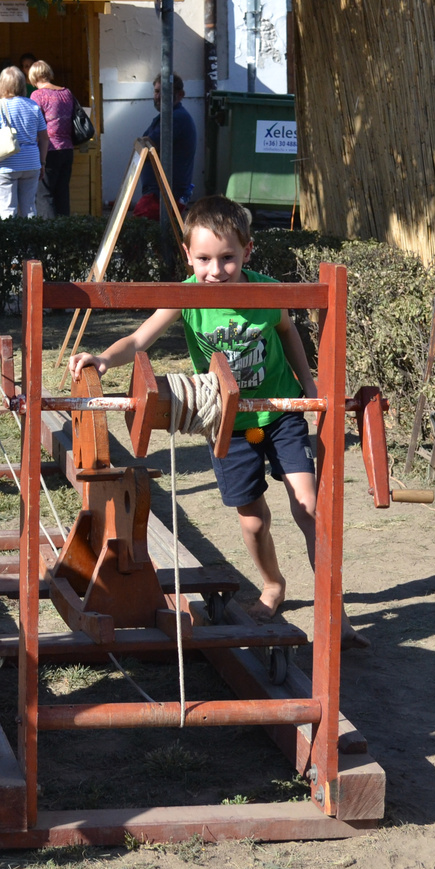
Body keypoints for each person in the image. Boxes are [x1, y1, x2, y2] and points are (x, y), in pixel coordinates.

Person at [70, 196, 368, 646]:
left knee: (308, 507)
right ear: (188, 256)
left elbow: (288, 334)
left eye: (227, 258)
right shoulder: (187, 297)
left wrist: (309, 389)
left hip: (280, 412)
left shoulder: (268, 292)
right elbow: (138, 338)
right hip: (224, 421)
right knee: (252, 521)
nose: (216, 270)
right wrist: (104, 359)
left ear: (247, 251)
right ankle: (273, 584)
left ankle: (335, 611)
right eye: (204, 259)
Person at [0, 66, 49, 218]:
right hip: (31, 163)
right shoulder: (33, 105)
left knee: (7, 211)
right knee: (30, 209)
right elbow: (44, 138)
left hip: (5, 165)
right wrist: (42, 162)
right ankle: (30, 241)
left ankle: (11, 241)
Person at [133, 74, 197, 221]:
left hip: (163, 194)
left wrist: (143, 143)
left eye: (165, 92)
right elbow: (144, 144)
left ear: (180, 95)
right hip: (158, 193)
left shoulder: (176, 118)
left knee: (137, 236)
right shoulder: (167, 117)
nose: (158, 96)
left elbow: (148, 148)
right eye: (156, 91)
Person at [28, 61, 77, 217]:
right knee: (63, 193)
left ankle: (49, 237)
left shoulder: (37, 95)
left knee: (44, 195)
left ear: (33, 76)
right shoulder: (66, 93)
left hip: (48, 150)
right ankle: (63, 233)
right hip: (67, 149)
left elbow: (34, 125)